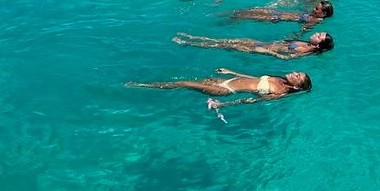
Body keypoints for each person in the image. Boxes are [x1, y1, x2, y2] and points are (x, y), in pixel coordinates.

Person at [126, 68, 312, 108]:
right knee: (192, 79)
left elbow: (251, 101)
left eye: (298, 77)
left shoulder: (280, 93)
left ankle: (144, 86)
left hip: (225, 91)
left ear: (297, 87)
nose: (295, 73)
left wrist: (223, 104)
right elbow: (254, 78)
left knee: (184, 83)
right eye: (298, 72)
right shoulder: (279, 78)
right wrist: (231, 72)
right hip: (228, 79)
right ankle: (153, 83)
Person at [173, 30, 334, 59]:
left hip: (261, 48)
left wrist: (267, 52)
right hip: (262, 43)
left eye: (319, 36)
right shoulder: (305, 43)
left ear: (318, 45)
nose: (316, 33)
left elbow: (285, 58)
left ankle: (189, 43)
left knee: (224, 46)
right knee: (226, 40)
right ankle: (193, 37)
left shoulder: (304, 51)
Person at [228, 0, 334, 30]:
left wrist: (294, 36)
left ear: (323, 13)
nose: (313, 9)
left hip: (276, 17)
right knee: (253, 9)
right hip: (278, 13)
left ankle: (231, 20)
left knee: (248, 16)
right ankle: (233, 14)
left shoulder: (316, 20)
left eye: (316, 9)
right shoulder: (314, 16)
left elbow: (304, 29)